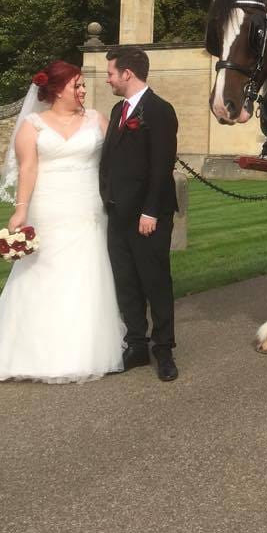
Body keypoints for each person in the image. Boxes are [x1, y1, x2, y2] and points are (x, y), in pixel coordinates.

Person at [0, 62, 125, 384]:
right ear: (58, 90)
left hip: (88, 207)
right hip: (47, 209)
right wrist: (21, 211)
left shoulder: (97, 120)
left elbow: (118, 160)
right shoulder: (32, 126)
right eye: (78, 85)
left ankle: (84, 351)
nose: (84, 90)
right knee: (41, 276)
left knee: (86, 274)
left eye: (83, 84)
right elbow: (28, 169)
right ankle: (29, 354)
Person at [99, 46, 179, 382]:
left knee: (155, 281)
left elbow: (161, 166)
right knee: (126, 282)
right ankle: (136, 344)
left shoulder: (159, 110)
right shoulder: (118, 109)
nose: (108, 79)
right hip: (118, 214)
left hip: (148, 216)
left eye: (111, 73)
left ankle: (163, 349)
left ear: (127, 74)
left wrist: (149, 211)